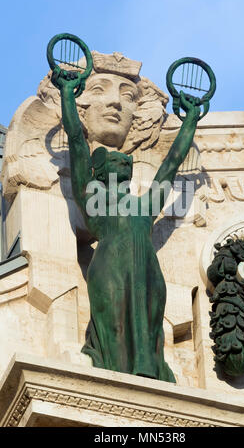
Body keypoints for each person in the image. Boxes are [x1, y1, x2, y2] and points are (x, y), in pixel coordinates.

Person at [51, 66, 200, 383]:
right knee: (115, 327)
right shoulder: (92, 198)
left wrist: (190, 120)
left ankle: (147, 376)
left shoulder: (145, 206)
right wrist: (67, 94)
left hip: (147, 271)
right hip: (110, 268)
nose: (122, 166)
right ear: (99, 172)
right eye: (112, 163)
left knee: (147, 328)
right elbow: (77, 141)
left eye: (125, 165)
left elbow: (172, 163)